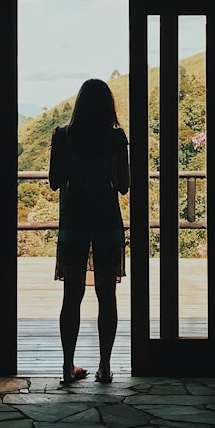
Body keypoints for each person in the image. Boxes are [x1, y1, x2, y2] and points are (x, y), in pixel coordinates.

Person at [49, 78, 129, 385]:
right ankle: (105, 367)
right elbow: (124, 185)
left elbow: (55, 181)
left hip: (73, 223)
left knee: (72, 296)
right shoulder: (116, 138)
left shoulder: (63, 136)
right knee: (107, 296)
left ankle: (68, 366)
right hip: (107, 223)